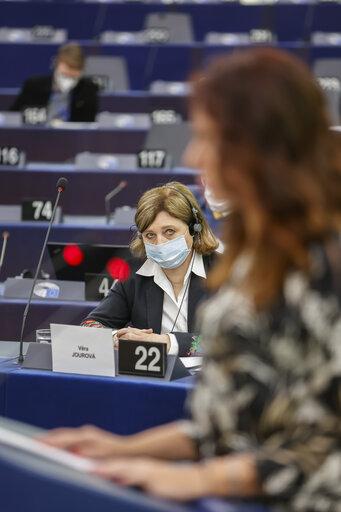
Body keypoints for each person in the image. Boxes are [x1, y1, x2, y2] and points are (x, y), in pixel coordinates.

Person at [40, 48, 341, 510]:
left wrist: (201, 479)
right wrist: (119, 449)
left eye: (208, 137)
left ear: (259, 146)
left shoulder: (326, 264)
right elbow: (221, 426)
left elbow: (321, 447)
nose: (195, 155)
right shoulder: (250, 263)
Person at [82, 182, 219, 356]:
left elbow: (233, 341)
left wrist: (169, 342)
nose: (160, 243)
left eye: (169, 231)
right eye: (150, 235)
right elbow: (90, 324)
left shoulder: (224, 271)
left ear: (194, 228)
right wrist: (116, 336)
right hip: (150, 381)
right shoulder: (134, 274)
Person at [10, 42, 98, 123]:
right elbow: (12, 116)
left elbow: (89, 126)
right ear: (56, 64)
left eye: (73, 77)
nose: (68, 80)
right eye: (64, 75)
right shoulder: (33, 86)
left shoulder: (88, 90)